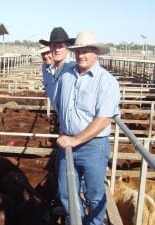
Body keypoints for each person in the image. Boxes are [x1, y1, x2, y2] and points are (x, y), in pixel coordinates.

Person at [53, 30, 120, 225]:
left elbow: (104, 119)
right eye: (78, 50)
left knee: (94, 195)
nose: (81, 55)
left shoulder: (106, 81)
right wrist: (63, 128)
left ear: (96, 53)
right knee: (66, 192)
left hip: (93, 146)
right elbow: (59, 103)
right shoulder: (66, 74)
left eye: (87, 50)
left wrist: (75, 139)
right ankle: (77, 221)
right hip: (67, 143)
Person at [39, 27, 75, 101]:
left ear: (67, 47)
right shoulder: (47, 69)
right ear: (51, 48)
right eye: (54, 46)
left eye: (61, 46)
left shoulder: (75, 68)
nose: (57, 49)